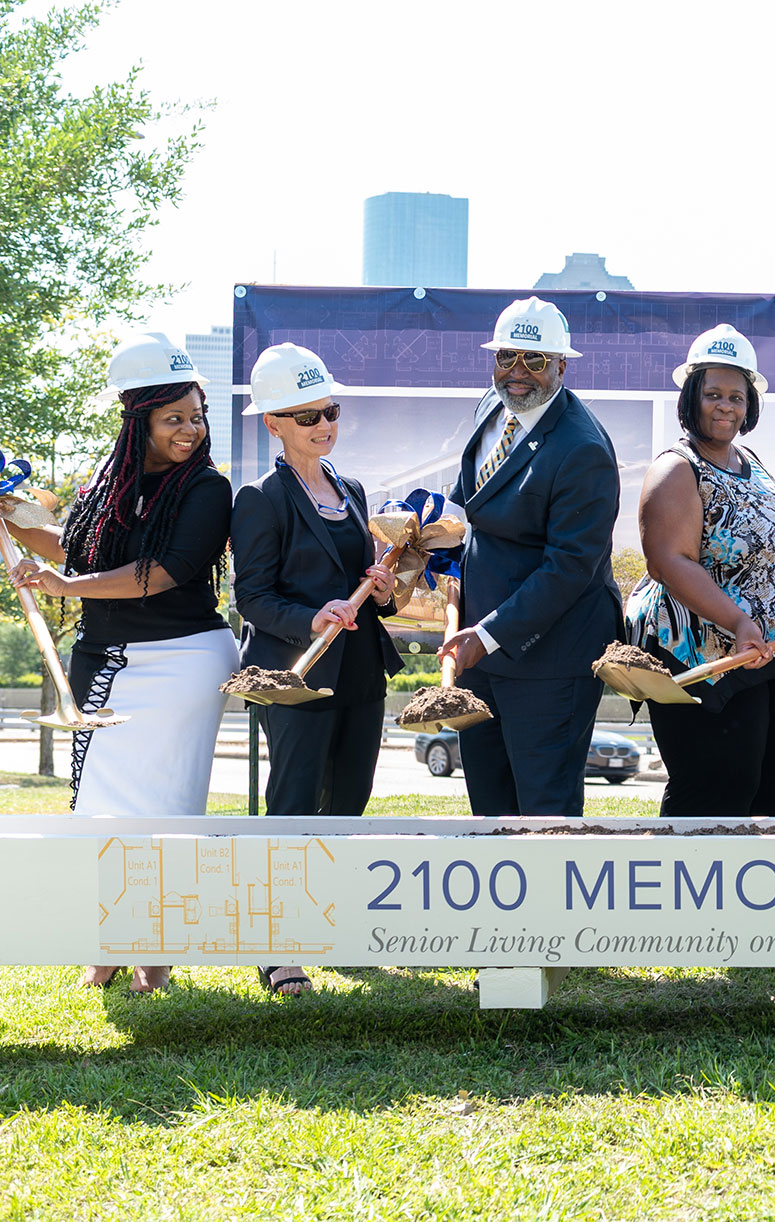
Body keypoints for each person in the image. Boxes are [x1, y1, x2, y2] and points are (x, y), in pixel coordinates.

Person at [7, 333, 237, 994]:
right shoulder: (110, 486)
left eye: (196, 416)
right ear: (138, 421)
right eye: (174, 419)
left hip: (181, 663)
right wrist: (16, 521)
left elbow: (164, 572)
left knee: (164, 808)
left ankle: (154, 960)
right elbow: (75, 544)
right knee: (100, 807)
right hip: (102, 657)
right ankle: (107, 949)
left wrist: (66, 587)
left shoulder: (207, 490)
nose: (190, 429)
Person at [229, 345, 400, 994]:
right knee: (293, 805)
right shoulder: (260, 499)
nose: (324, 424)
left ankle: (331, 923)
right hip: (293, 678)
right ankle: (280, 949)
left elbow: (371, 588)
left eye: (330, 410)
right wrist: (313, 616)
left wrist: (382, 586)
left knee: (348, 806)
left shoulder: (353, 492)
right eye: (306, 416)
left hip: (359, 675)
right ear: (272, 422)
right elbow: (254, 599)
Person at [439, 298, 621, 817]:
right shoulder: (490, 406)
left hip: (551, 660)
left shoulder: (582, 448)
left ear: (562, 365)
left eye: (535, 360)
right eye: (506, 357)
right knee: (489, 810)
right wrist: (438, 543)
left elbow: (568, 568)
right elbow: (472, 503)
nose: (517, 373)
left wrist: (486, 634)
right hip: (480, 651)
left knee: (545, 817)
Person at [629, 325, 775, 815]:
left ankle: (766, 891)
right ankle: (686, 887)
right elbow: (669, 561)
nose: (726, 406)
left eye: (737, 396)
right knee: (719, 790)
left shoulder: (752, 463)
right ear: (691, 397)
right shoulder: (677, 468)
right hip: (706, 658)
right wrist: (737, 621)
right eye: (713, 394)